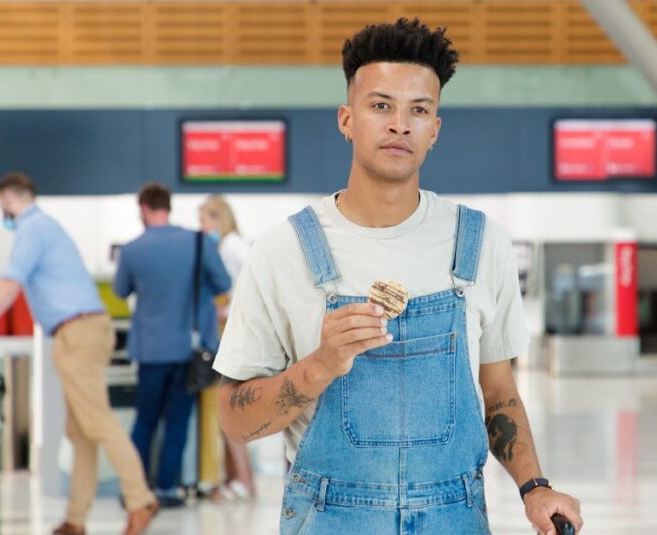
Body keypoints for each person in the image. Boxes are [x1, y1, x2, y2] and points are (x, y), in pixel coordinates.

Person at [213, 19, 584, 535]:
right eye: (380, 105)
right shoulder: (283, 251)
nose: (399, 124)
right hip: (328, 520)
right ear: (346, 119)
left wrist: (534, 487)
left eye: (419, 110)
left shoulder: (478, 244)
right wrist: (319, 366)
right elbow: (232, 418)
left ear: (435, 129)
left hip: (455, 518)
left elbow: (498, 388)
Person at [0, 172, 159, 535]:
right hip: (82, 330)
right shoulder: (41, 228)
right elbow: (5, 280)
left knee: (97, 422)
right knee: (81, 429)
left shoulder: (32, 228)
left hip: (78, 332)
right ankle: (76, 518)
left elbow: (10, 286)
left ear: (7, 198)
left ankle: (140, 499)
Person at [113, 183, 232, 508]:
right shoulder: (196, 242)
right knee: (178, 421)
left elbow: (121, 291)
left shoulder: (132, 249)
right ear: (169, 206)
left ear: (143, 209)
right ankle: (167, 489)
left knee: (145, 420)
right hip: (187, 349)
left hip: (150, 350)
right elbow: (223, 282)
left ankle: (136, 490)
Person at [197, 195, 257, 501]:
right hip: (228, 336)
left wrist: (227, 310)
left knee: (230, 410)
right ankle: (237, 479)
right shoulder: (225, 245)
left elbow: (254, 283)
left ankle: (244, 482)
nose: (202, 227)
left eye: (205, 220)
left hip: (236, 339)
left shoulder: (233, 245)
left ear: (218, 218)